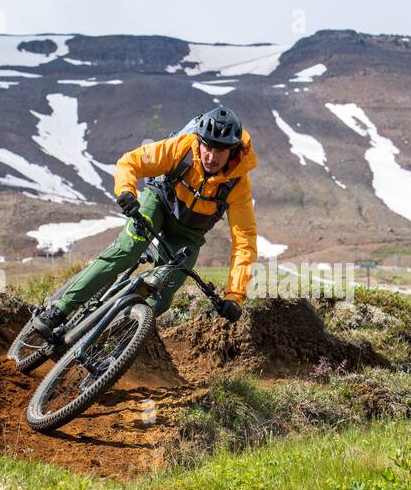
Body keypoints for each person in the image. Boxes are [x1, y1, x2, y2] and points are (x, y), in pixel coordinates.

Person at [31, 106, 257, 333]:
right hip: (158, 203)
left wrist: (234, 296)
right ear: (198, 141)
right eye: (207, 146)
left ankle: (111, 341)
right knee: (127, 250)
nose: (211, 156)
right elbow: (131, 161)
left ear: (233, 150)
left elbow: (244, 240)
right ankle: (60, 309)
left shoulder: (237, 184)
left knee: (165, 292)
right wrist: (126, 190)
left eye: (220, 150)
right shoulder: (182, 148)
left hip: (188, 233)